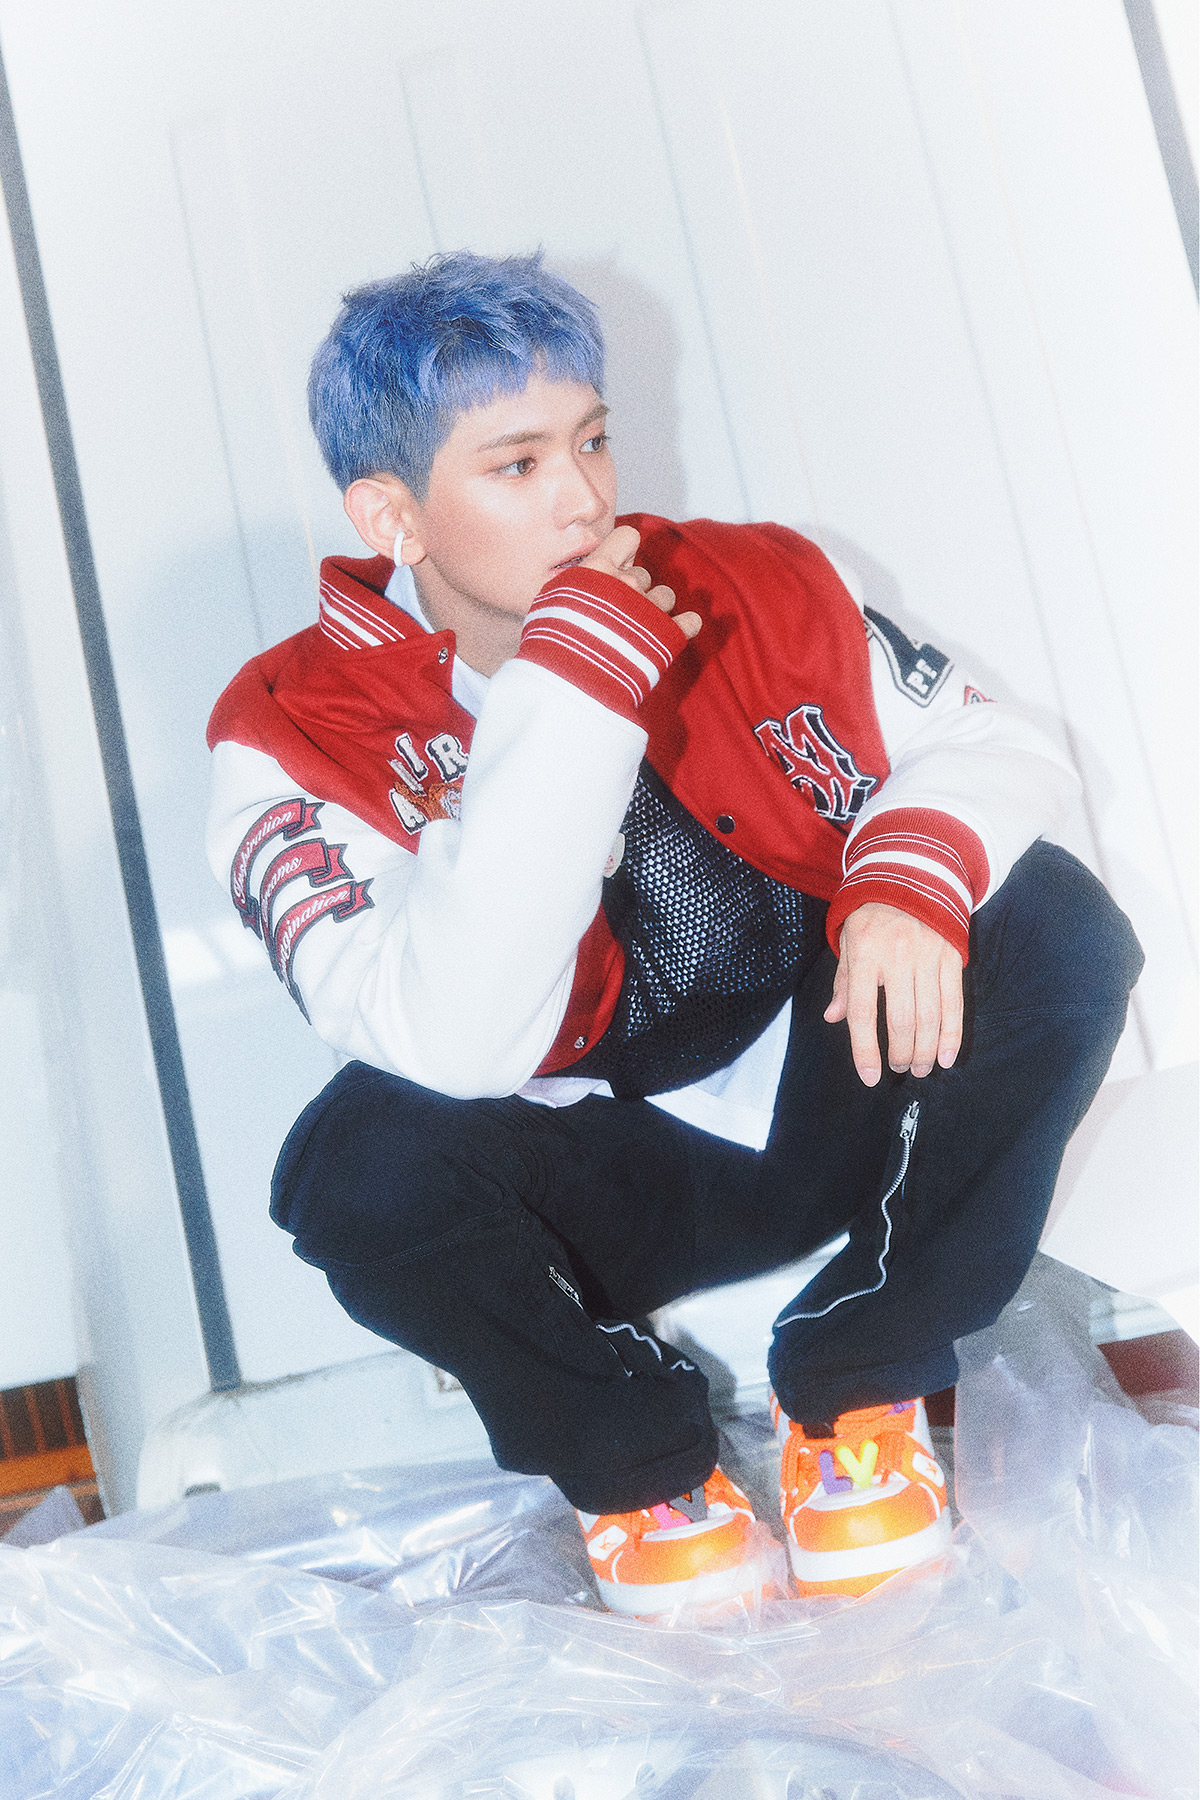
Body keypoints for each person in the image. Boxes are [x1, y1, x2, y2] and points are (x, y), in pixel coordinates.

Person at [206, 250, 1142, 1614]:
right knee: (352, 1168)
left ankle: (860, 1392)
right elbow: (455, 1042)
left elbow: (997, 747)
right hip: (603, 1180)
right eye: (517, 465)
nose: (584, 498)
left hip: (834, 1089)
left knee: (1050, 919)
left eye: (591, 440)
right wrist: (578, 677)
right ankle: (643, 1474)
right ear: (392, 514)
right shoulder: (290, 728)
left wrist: (906, 881)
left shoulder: (753, 578)